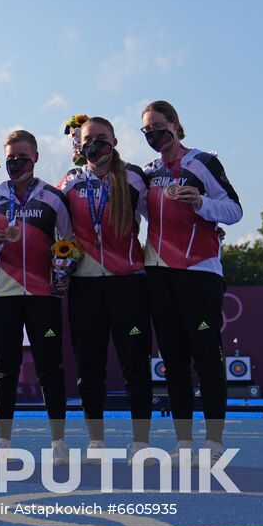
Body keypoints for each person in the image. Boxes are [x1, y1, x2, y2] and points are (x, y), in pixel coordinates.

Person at [141, 100, 242, 461]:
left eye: (158, 126)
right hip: (159, 273)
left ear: (175, 124)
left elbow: (235, 210)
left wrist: (201, 203)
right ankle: (183, 441)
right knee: (173, 360)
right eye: (147, 130)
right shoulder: (148, 172)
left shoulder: (202, 162)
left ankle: (213, 441)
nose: (154, 134)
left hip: (199, 272)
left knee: (206, 358)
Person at [0, 130, 73, 463]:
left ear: (36, 158)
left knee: (49, 368)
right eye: (10, 158)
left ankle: (58, 444)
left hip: (43, 293)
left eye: (22, 158)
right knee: (5, 369)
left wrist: (63, 268)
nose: (16, 164)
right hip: (3, 293)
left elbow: (68, 243)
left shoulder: (53, 198)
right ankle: (3, 444)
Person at [58, 117, 153, 455]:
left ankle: (141, 442)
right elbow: (55, 227)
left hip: (127, 281)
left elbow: (160, 220)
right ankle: (96, 440)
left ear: (114, 141)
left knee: (136, 367)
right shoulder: (70, 181)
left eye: (102, 138)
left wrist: (207, 230)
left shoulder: (133, 177)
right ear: (78, 144)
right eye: (88, 139)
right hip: (85, 286)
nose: (94, 144)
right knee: (90, 368)